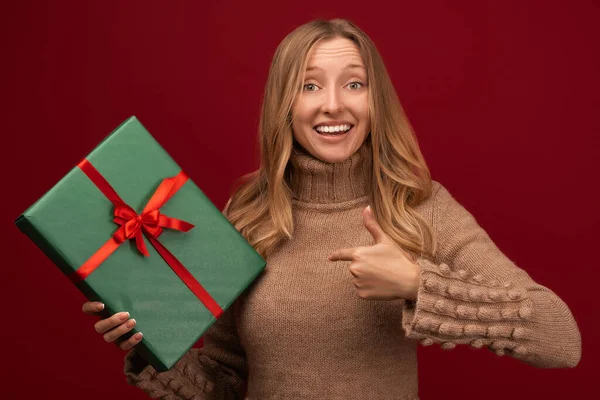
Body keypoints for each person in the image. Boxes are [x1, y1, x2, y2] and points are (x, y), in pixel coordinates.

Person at [82, 18, 582, 399]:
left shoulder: (418, 206)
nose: (334, 105)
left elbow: (561, 338)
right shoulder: (249, 210)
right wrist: (146, 349)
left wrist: (417, 286)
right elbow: (224, 379)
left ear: (375, 100)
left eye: (355, 84)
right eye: (310, 84)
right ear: (284, 103)